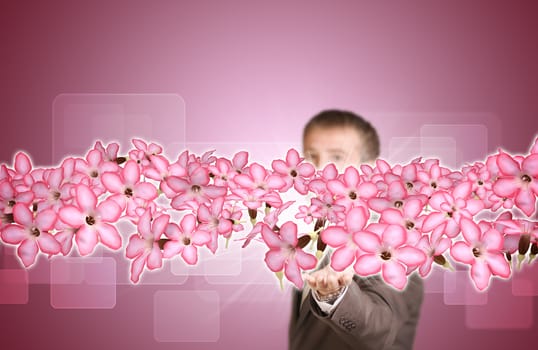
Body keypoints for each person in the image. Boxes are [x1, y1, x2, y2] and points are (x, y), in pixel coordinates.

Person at [288, 109, 424, 350]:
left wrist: (334, 297)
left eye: (337, 157)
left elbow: (382, 330)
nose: (320, 169)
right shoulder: (315, 235)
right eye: (311, 156)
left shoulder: (395, 239)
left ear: (369, 168)